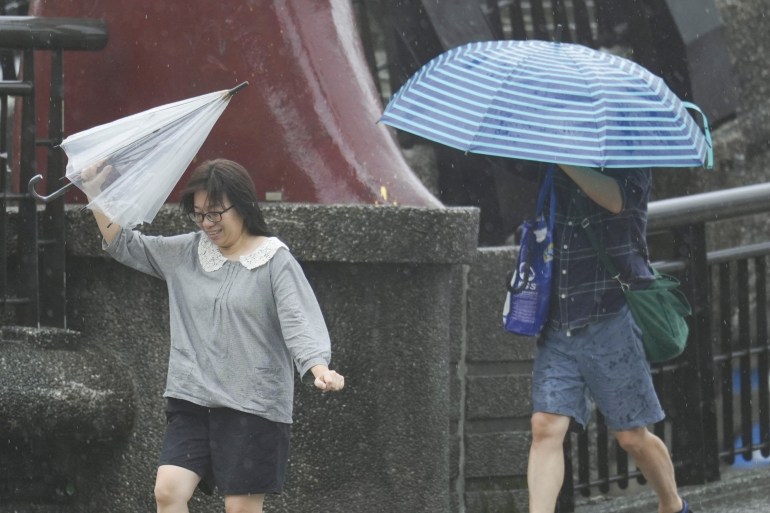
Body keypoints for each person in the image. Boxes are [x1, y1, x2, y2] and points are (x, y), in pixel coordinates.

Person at [84, 158, 344, 513]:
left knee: (239, 509)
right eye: (199, 214)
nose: (207, 224)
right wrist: (94, 192)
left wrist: (318, 368)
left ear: (243, 205)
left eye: (216, 213)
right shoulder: (187, 252)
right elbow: (124, 244)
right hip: (193, 399)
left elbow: (299, 321)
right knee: (168, 491)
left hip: (254, 407)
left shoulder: (274, 261)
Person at [526, 164, 692, 513]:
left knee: (631, 435)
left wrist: (564, 159)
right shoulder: (549, 151)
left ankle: (672, 504)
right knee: (545, 426)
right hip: (559, 316)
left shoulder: (628, 150)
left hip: (611, 313)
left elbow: (616, 201)